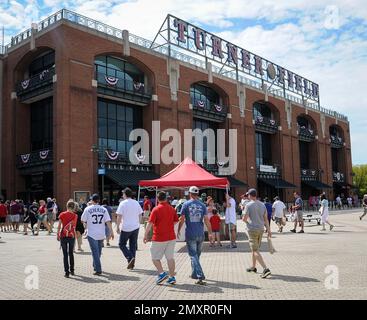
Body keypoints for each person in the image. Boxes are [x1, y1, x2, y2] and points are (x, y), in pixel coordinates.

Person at [178, 186, 213, 285]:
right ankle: (194, 274)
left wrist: (179, 230)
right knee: (196, 256)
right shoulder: (202, 205)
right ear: (197, 194)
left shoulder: (186, 204)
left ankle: (199, 275)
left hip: (190, 233)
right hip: (200, 234)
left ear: (189, 193)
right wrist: (210, 233)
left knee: (193, 256)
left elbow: (182, 219)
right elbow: (206, 220)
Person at [143, 191, 179, 285]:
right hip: (171, 237)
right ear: (166, 198)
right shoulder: (172, 209)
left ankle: (162, 273)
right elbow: (176, 221)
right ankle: (172, 277)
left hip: (159, 237)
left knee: (154, 257)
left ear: (157, 199)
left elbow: (150, 224)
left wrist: (145, 235)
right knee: (170, 258)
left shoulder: (156, 209)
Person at [81, 194, 114, 276]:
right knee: (98, 252)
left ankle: (98, 269)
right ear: (99, 200)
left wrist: (85, 226)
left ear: (92, 200)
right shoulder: (104, 209)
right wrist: (111, 232)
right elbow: (108, 222)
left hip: (92, 233)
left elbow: (82, 220)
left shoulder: (87, 209)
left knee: (95, 252)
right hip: (101, 233)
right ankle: (95, 264)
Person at [242, 188, 272, 278]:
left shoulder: (248, 205)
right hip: (261, 229)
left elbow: (244, 218)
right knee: (255, 249)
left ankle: (265, 269)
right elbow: (266, 218)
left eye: (248, 195)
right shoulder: (263, 205)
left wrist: (248, 223)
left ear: (250, 195)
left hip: (252, 230)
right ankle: (253, 267)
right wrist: (269, 230)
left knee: (255, 250)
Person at [116, 188, 143, 270]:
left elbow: (119, 216)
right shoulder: (136, 203)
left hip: (126, 227)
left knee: (121, 244)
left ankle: (130, 257)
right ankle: (131, 264)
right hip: (135, 227)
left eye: (123, 194)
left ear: (125, 194)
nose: (122, 195)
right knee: (132, 245)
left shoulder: (122, 203)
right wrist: (138, 223)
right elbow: (140, 214)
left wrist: (117, 226)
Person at [57, 200, 78, 278]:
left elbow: (59, 226)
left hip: (63, 235)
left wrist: (58, 234)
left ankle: (67, 272)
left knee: (65, 254)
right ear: (74, 207)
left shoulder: (62, 214)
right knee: (71, 253)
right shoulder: (75, 216)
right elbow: (74, 227)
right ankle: (72, 270)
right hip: (71, 235)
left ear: (67, 206)